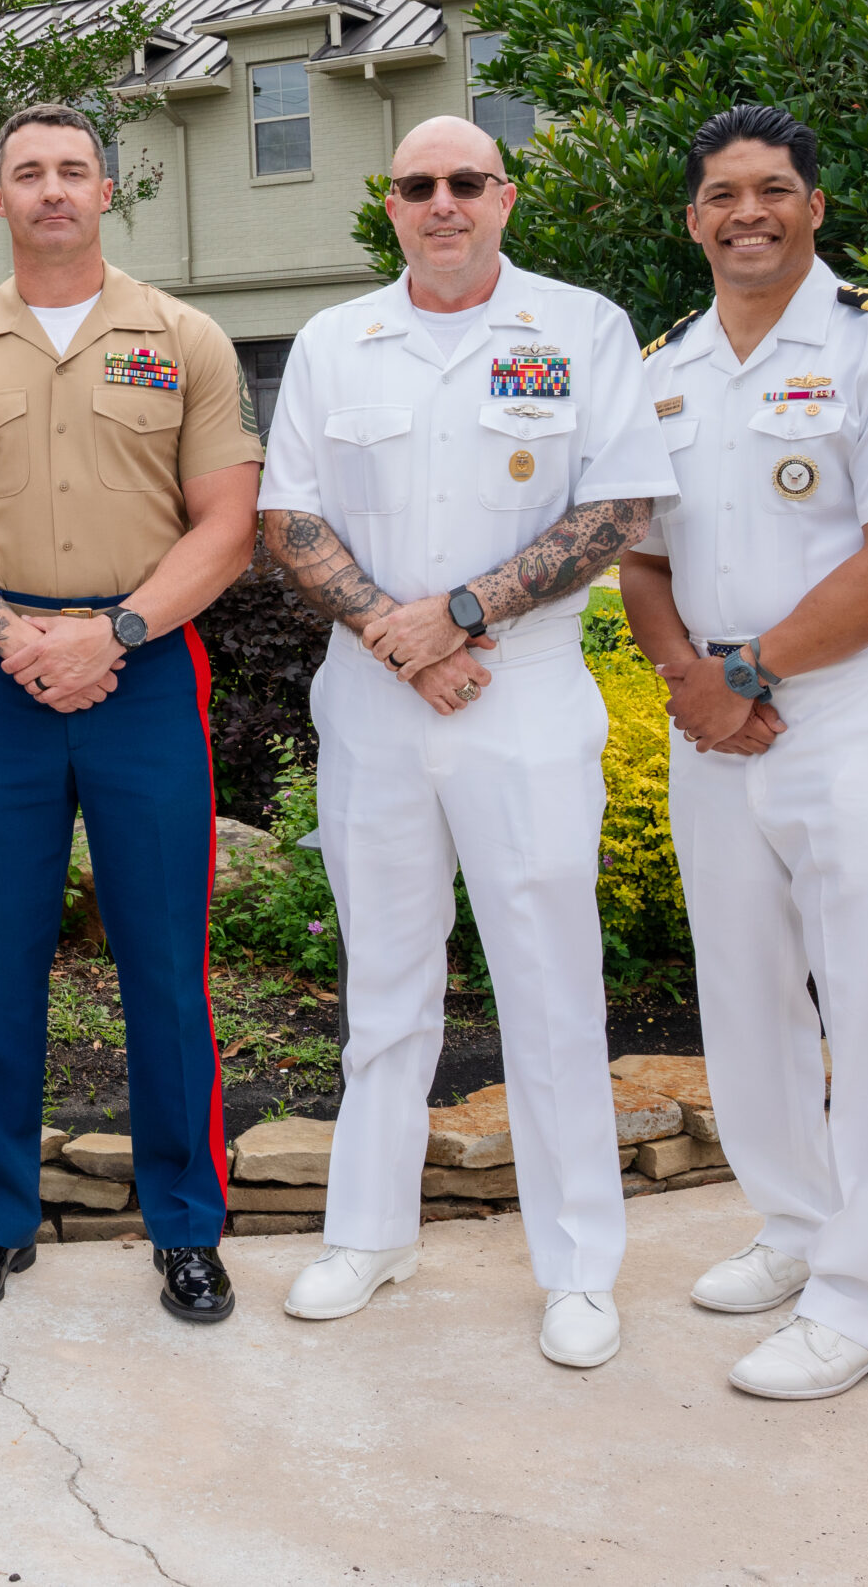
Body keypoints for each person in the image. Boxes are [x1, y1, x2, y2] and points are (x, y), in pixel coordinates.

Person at [256, 114, 674, 1368]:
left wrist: (463, 614)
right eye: (417, 185)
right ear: (390, 206)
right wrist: (400, 634)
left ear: (505, 196)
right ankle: (367, 1235)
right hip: (378, 694)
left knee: (549, 982)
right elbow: (289, 515)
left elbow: (619, 503)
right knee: (385, 980)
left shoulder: (578, 327)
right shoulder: (338, 340)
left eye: (466, 182)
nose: (443, 202)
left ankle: (579, 1268)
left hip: (525, 691)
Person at [0, 102, 264, 1325]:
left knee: (165, 961)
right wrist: (13, 637)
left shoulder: (185, 338)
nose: (51, 190)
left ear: (108, 192)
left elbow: (226, 523)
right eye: (26, 173)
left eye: (73, 171)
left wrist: (117, 634)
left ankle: (186, 1227)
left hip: (145, 669)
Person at [619, 103, 868, 1401]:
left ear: (814, 207)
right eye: (724, 194)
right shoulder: (665, 367)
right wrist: (689, 683)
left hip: (856, 710)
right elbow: (640, 553)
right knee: (744, 987)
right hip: (712, 708)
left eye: (774, 189)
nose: (748, 212)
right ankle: (797, 1228)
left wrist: (745, 675)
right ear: (695, 217)